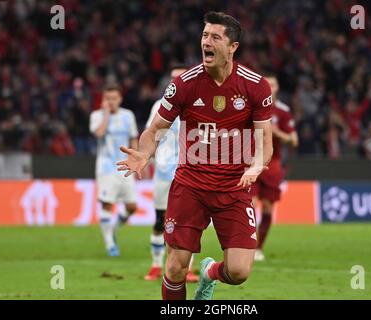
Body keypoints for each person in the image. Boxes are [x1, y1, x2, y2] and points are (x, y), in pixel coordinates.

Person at [116, 11, 273, 300]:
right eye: (204, 35)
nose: (206, 42)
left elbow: (265, 139)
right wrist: (143, 154)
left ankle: (209, 272)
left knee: (239, 272)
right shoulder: (184, 84)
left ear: (233, 47)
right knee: (175, 267)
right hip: (191, 186)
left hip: (234, 187)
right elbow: (155, 130)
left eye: (215, 37)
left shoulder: (255, 86)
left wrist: (257, 164)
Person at [144, 65, 199, 283]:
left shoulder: (198, 104)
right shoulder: (159, 106)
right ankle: (156, 265)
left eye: (181, 77)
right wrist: (146, 158)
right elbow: (151, 133)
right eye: (173, 78)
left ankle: (188, 269)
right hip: (164, 172)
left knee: (189, 223)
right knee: (160, 221)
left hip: (191, 173)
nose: (177, 81)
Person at [251, 75, 298, 261]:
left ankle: (259, 248)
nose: (270, 87)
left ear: (277, 87)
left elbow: (294, 140)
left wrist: (275, 132)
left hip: (273, 164)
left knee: (268, 208)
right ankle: (247, 246)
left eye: (273, 84)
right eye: (267, 84)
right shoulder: (252, 106)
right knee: (251, 205)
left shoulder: (283, 112)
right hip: (252, 162)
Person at [90, 84, 139, 257]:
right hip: (106, 167)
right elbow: (99, 134)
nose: (110, 101)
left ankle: (111, 230)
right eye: (107, 98)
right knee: (107, 203)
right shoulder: (96, 116)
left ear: (120, 99)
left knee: (132, 206)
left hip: (124, 165)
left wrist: (135, 160)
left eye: (113, 98)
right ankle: (110, 244)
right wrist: (105, 115)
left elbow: (133, 138)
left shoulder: (128, 116)